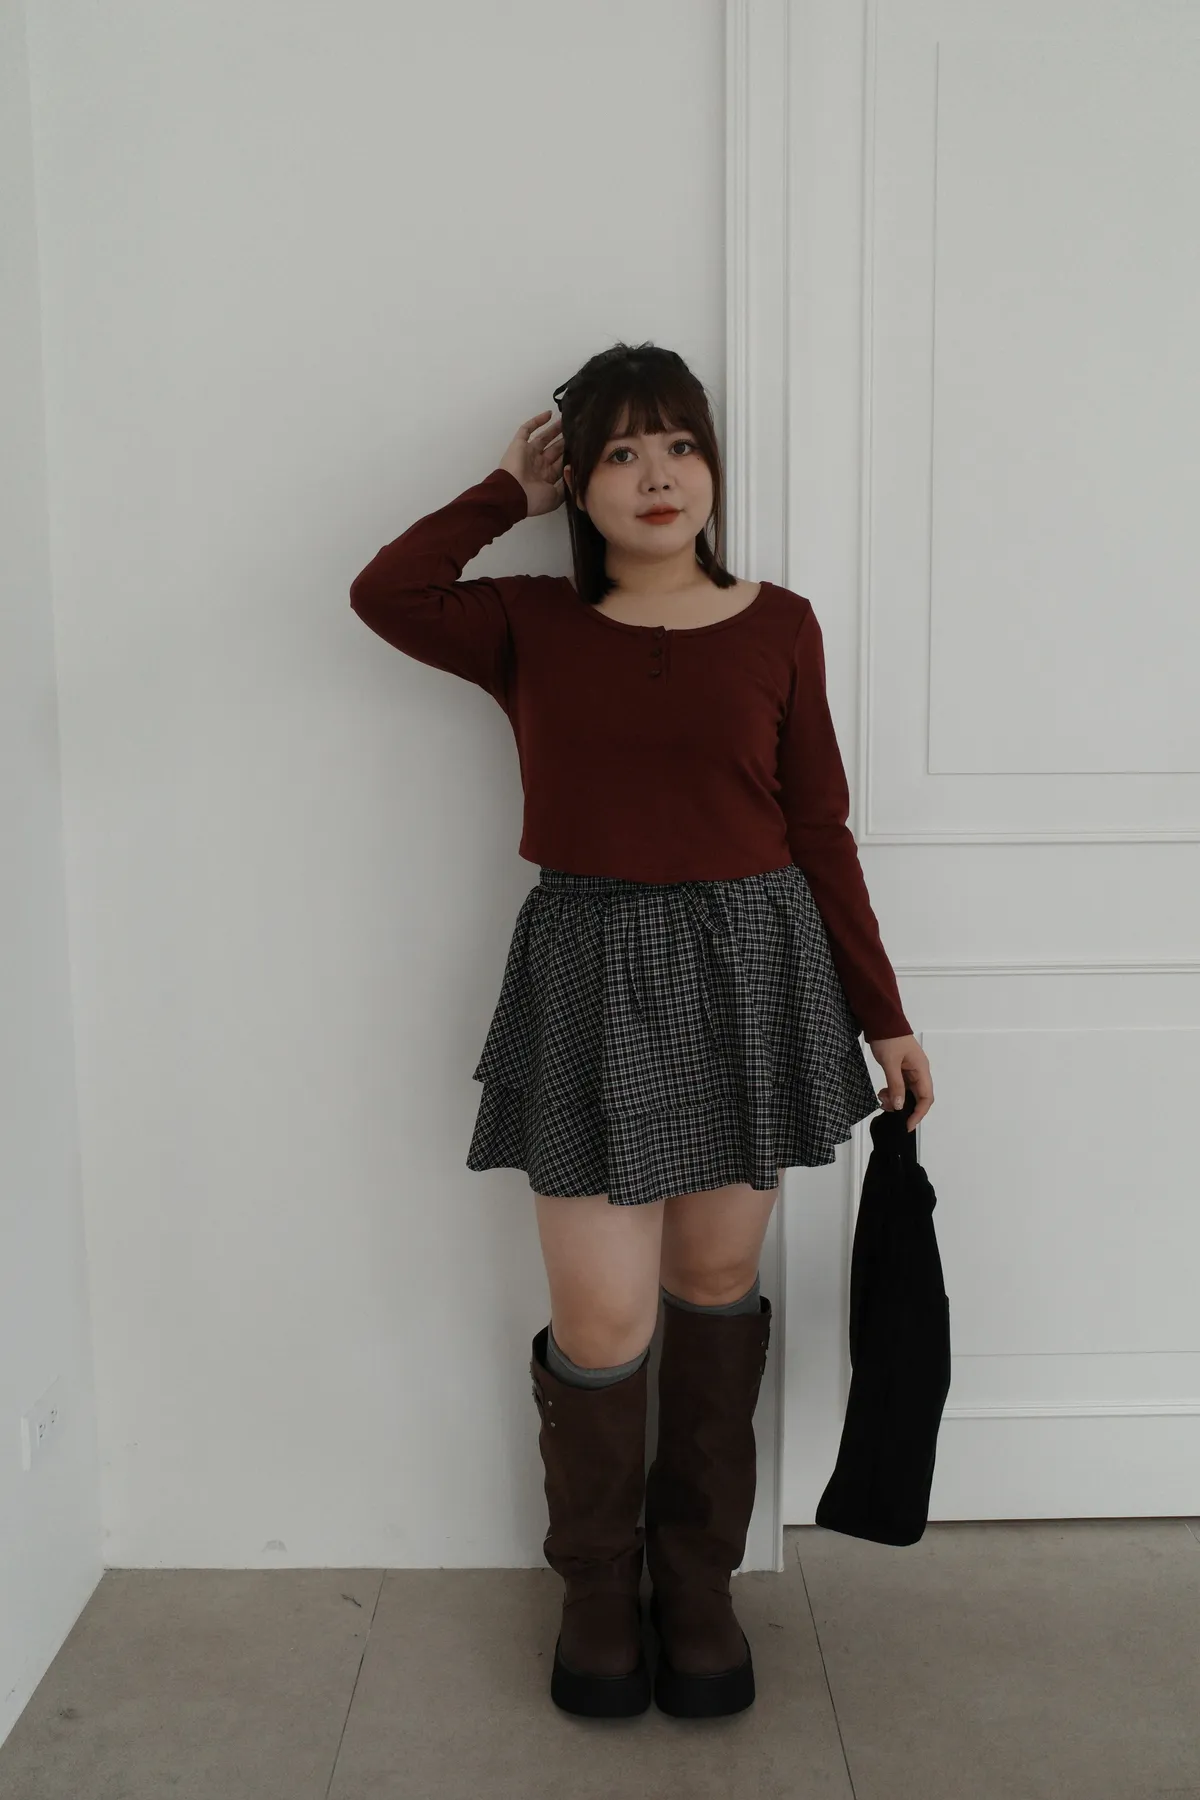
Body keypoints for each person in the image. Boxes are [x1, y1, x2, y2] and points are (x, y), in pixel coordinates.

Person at [348, 341, 934, 1722]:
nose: (656, 475)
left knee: (715, 1291)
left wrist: (885, 1016)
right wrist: (504, 491)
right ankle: (599, 1590)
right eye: (618, 451)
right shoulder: (530, 625)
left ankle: (697, 1580)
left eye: (677, 444)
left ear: (712, 464)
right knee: (602, 1318)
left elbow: (818, 827)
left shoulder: (780, 625)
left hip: (755, 971)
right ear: (580, 481)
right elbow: (387, 593)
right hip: (589, 968)